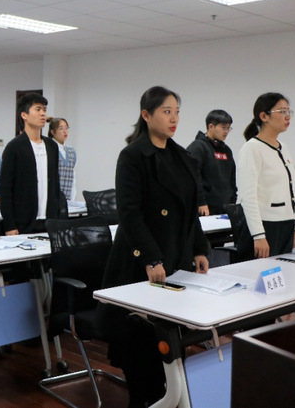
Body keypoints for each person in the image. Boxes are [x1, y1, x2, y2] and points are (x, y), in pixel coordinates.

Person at [98, 86, 209, 408]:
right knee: (142, 351)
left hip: (176, 259)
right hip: (142, 263)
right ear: (146, 115)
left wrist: (199, 248)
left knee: (170, 345)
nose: (174, 118)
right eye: (166, 111)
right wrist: (151, 257)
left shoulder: (182, 157)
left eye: (177, 112)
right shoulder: (133, 156)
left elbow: (190, 211)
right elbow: (129, 213)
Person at [237, 92, 295, 258]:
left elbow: (291, 192)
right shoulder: (252, 148)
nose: (287, 116)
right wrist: (258, 235)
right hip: (264, 227)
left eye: (288, 111)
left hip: (286, 224)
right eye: (282, 112)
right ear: (264, 116)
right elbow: (248, 197)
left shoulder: (283, 148)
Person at [0, 93, 60, 235]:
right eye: (38, 109)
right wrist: (9, 225)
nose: (43, 114)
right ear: (24, 115)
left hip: (49, 221)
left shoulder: (51, 146)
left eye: (44, 110)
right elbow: (5, 189)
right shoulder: (14, 147)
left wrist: (58, 219)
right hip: (23, 222)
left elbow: (55, 185)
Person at [186, 109, 237, 216]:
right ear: (211, 126)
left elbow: (232, 178)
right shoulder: (197, 148)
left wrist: (233, 201)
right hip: (205, 208)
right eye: (223, 127)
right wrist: (201, 202)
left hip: (225, 207)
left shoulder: (227, 150)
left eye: (229, 128)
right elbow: (193, 177)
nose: (226, 131)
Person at [48, 117, 77, 202]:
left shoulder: (71, 151)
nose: (65, 131)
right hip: (51, 199)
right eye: (61, 128)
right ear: (52, 132)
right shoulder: (48, 149)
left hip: (67, 200)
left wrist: (71, 201)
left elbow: (73, 178)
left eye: (66, 128)